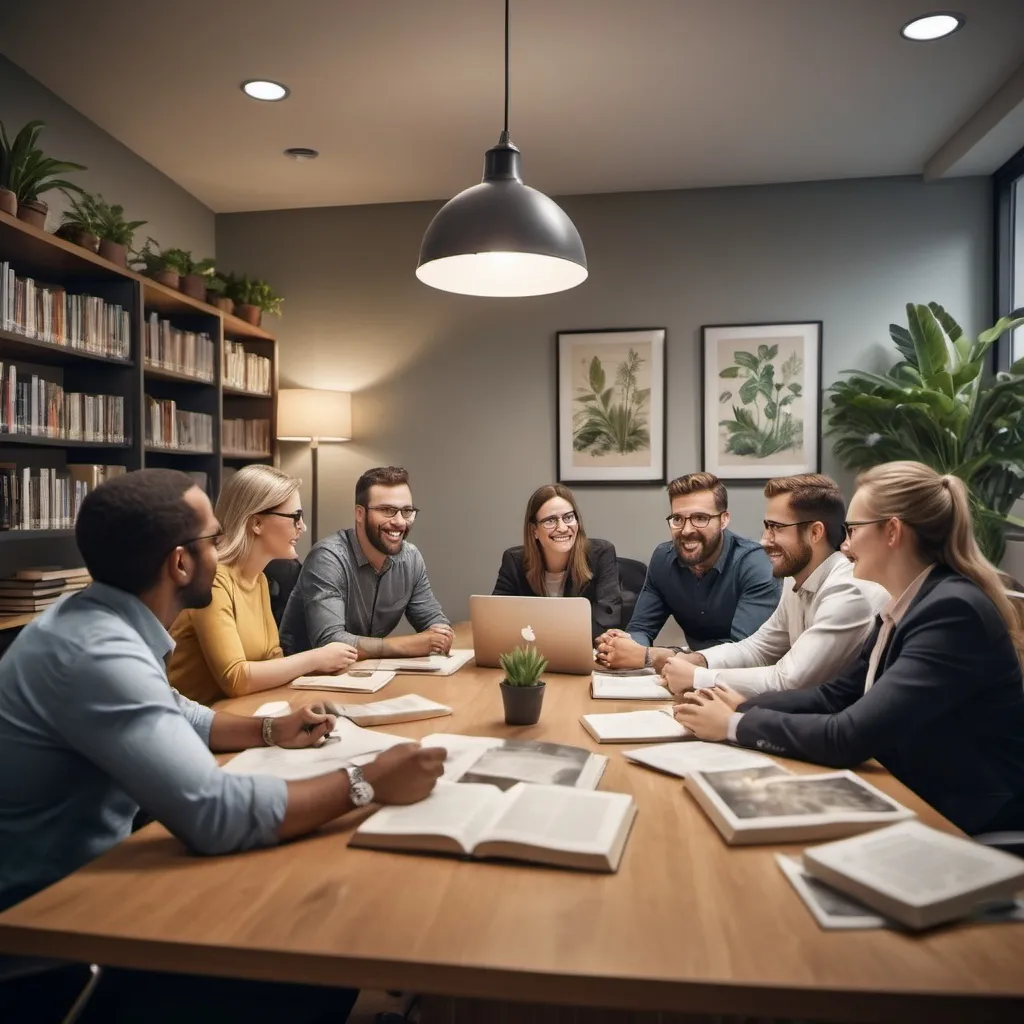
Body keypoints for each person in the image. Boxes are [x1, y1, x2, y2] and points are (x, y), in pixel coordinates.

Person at [0, 469, 445, 1023]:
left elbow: (174, 709)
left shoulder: (91, 621)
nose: (223, 547)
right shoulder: (97, 654)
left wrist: (268, 730)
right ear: (180, 564)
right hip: (59, 941)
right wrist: (367, 782)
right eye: (213, 538)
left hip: (89, 894)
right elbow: (214, 814)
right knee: (321, 963)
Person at [675, 461, 1024, 836]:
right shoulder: (905, 603)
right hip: (906, 790)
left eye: (853, 530)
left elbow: (849, 736)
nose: (844, 544)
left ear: (892, 532)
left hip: (964, 816)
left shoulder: (951, 611)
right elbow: (835, 696)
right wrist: (741, 705)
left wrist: (733, 724)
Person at [661, 474, 888, 697]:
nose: (764, 540)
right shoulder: (795, 577)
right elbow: (759, 648)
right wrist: (699, 660)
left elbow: (789, 680)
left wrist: (697, 677)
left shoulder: (847, 591)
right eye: (766, 526)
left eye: (776, 527)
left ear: (815, 532)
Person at [167, 465, 359, 704]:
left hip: (241, 713)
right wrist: (317, 659)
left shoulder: (257, 579)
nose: (302, 527)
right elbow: (235, 678)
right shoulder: (213, 582)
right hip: (198, 730)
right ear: (256, 523)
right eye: (295, 517)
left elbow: (272, 658)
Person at [595, 472, 780, 671]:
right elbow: (641, 629)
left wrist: (660, 656)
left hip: (743, 683)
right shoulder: (663, 559)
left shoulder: (755, 564)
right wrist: (623, 644)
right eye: (678, 519)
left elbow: (743, 654)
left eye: (700, 518)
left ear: (724, 520)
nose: (686, 530)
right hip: (687, 674)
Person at [279, 466, 454, 659]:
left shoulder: (411, 559)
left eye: (406, 511)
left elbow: (433, 620)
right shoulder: (328, 558)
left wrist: (441, 634)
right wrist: (410, 644)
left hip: (364, 675)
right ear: (360, 514)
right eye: (387, 510)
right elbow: (330, 641)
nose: (400, 522)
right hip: (304, 680)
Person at [492, 484, 621, 640]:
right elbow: (496, 621)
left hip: (582, 655)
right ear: (534, 531)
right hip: (530, 657)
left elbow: (606, 621)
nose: (562, 527)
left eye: (568, 517)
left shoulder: (601, 554)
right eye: (550, 520)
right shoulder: (514, 561)